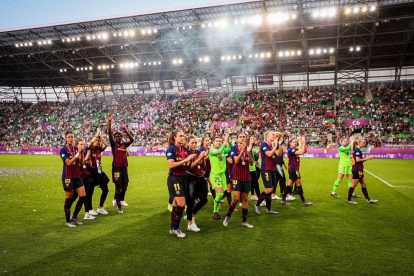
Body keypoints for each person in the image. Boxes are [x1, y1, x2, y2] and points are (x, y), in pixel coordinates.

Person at [166, 130, 196, 238]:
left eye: (183, 136)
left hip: (183, 178)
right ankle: (176, 228)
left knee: (176, 205)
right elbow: (171, 165)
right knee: (182, 204)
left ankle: (172, 227)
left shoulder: (186, 150)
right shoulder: (171, 149)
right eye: (180, 136)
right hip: (174, 179)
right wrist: (185, 160)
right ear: (175, 138)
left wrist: (193, 160)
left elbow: (188, 166)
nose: (182, 137)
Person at [223, 133, 254, 228]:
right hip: (236, 175)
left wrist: (248, 152)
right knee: (236, 198)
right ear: (237, 139)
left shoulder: (249, 148)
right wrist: (243, 150)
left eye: (244, 137)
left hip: (246, 175)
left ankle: (244, 221)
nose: (242, 138)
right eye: (240, 137)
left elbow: (251, 163)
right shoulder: (234, 148)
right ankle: (228, 216)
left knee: (244, 198)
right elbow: (236, 161)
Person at [107, 113, 134, 214]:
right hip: (116, 168)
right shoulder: (114, 144)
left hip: (124, 168)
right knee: (118, 186)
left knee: (125, 186)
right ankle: (118, 205)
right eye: (116, 136)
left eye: (119, 136)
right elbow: (109, 133)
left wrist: (127, 132)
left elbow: (132, 140)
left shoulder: (123, 145)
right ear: (114, 138)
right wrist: (109, 121)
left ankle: (120, 200)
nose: (117, 137)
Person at [60, 131, 86, 227]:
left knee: (83, 196)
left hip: (77, 175)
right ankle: (67, 220)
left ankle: (74, 216)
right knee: (69, 198)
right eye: (69, 137)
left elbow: (81, 163)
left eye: (72, 137)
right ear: (66, 139)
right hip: (68, 176)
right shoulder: (63, 149)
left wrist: (82, 153)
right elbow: (69, 163)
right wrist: (77, 154)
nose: (71, 138)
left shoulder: (76, 149)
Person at [254, 131, 282, 215]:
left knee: (271, 190)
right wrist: (276, 146)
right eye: (273, 134)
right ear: (268, 136)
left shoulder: (272, 145)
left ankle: (268, 209)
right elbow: (269, 154)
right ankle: (257, 204)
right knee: (268, 189)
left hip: (272, 169)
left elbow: (279, 154)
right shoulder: (264, 144)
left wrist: (279, 145)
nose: (275, 136)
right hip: (265, 168)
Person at [185, 136, 208, 232]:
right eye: (192, 143)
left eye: (195, 143)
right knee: (190, 201)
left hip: (200, 178)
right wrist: (199, 159)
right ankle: (190, 223)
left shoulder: (198, 152)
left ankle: (191, 214)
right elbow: (189, 167)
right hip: (190, 179)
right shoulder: (186, 152)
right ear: (188, 143)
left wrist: (203, 158)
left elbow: (203, 166)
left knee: (204, 200)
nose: (194, 144)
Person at [281, 135, 313, 205]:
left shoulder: (294, 150)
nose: (295, 143)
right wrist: (303, 142)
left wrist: (303, 143)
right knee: (299, 184)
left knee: (290, 184)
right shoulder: (290, 149)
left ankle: (283, 199)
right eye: (293, 142)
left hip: (294, 169)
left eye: (296, 142)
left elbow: (304, 150)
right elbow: (301, 152)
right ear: (290, 143)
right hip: (293, 169)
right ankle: (304, 201)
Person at [347, 138, 378, 204]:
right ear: (358, 143)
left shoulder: (358, 149)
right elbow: (357, 160)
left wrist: (367, 158)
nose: (364, 143)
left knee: (364, 184)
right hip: (356, 170)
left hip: (359, 170)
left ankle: (368, 199)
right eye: (362, 142)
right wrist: (367, 158)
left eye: (364, 142)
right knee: (353, 185)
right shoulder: (357, 150)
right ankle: (349, 199)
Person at [209, 133, 231, 220]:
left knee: (222, 194)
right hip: (215, 174)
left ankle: (216, 212)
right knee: (220, 193)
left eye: (220, 141)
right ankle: (215, 211)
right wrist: (225, 141)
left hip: (222, 175)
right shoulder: (212, 150)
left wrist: (229, 141)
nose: (218, 142)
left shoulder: (222, 150)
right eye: (217, 141)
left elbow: (229, 149)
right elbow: (218, 152)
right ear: (213, 143)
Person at [88, 128, 110, 215]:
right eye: (96, 140)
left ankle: (100, 207)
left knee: (105, 189)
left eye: (98, 140)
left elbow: (106, 144)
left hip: (99, 172)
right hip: (92, 172)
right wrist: (97, 135)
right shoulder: (90, 149)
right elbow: (89, 145)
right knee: (91, 191)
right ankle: (89, 209)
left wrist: (100, 136)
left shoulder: (99, 149)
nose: (97, 141)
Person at [78, 139, 96, 220]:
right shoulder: (77, 153)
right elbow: (80, 164)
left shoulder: (85, 153)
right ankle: (84, 213)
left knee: (87, 194)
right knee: (78, 196)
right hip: (81, 175)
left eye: (84, 144)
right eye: (81, 144)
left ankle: (87, 213)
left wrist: (88, 159)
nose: (83, 145)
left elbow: (90, 165)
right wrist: (87, 156)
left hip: (87, 175)